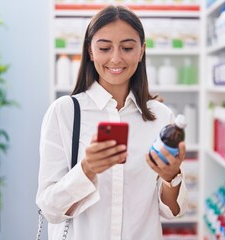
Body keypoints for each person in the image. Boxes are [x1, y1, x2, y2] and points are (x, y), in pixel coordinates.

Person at [36, 5, 189, 240]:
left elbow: (173, 212)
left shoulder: (161, 117)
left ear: (141, 51)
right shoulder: (64, 112)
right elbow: (50, 208)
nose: (116, 58)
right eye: (105, 48)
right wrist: (87, 169)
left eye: (127, 48)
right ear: (90, 51)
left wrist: (171, 176)